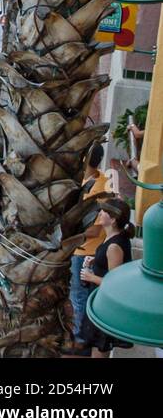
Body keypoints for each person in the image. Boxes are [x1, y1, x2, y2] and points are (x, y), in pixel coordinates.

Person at [66, 143, 111, 355]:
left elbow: (93, 230)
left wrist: (69, 233)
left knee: (79, 298)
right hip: (81, 249)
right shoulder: (95, 179)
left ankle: (81, 342)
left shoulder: (98, 189)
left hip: (86, 252)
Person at [76, 197, 135, 358]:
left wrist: (91, 277)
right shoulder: (112, 239)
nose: (100, 213)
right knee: (97, 347)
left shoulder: (114, 245)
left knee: (99, 349)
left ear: (113, 219)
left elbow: (114, 285)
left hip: (105, 306)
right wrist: (96, 260)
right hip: (100, 301)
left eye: (104, 211)